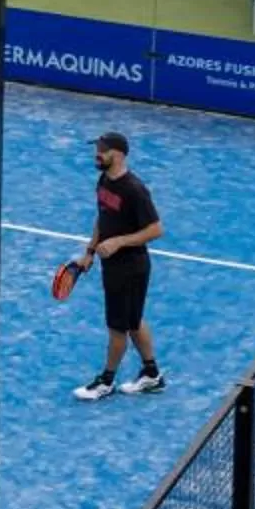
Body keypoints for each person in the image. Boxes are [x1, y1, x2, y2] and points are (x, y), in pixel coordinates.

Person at [73, 130, 166, 399]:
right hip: (111, 265)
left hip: (131, 267)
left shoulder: (135, 190)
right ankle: (151, 375)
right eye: (96, 148)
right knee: (133, 321)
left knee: (118, 327)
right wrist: (89, 252)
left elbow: (156, 229)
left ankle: (106, 381)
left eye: (102, 149)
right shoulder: (103, 181)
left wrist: (118, 242)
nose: (97, 154)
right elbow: (102, 218)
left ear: (119, 154)